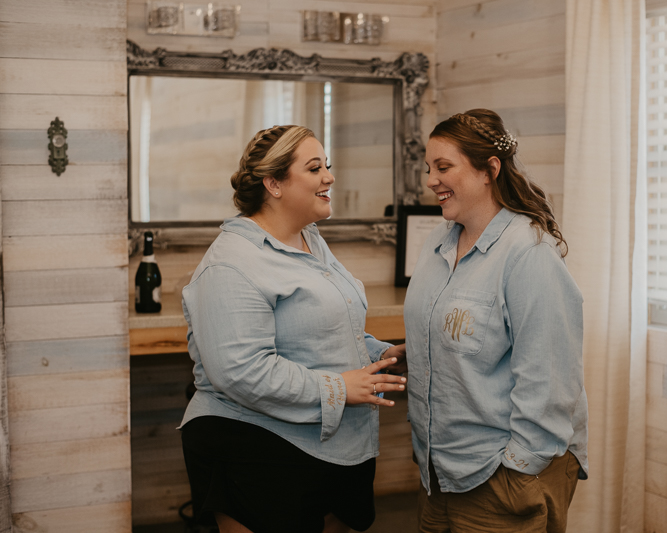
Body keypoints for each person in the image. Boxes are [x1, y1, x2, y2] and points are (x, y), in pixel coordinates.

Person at [179, 125, 407, 533]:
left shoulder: (310, 240)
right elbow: (240, 371)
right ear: (274, 183)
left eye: (328, 166)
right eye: (315, 168)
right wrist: (338, 387)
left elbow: (325, 329)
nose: (329, 177)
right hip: (256, 447)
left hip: (331, 447)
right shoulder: (231, 264)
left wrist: (379, 355)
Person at [402, 109, 588, 532]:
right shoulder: (437, 242)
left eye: (444, 167)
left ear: (489, 170)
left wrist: (517, 471)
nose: (431, 179)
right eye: (428, 168)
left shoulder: (528, 253)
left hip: (498, 477)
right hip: (438, 473)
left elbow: (551, 378)